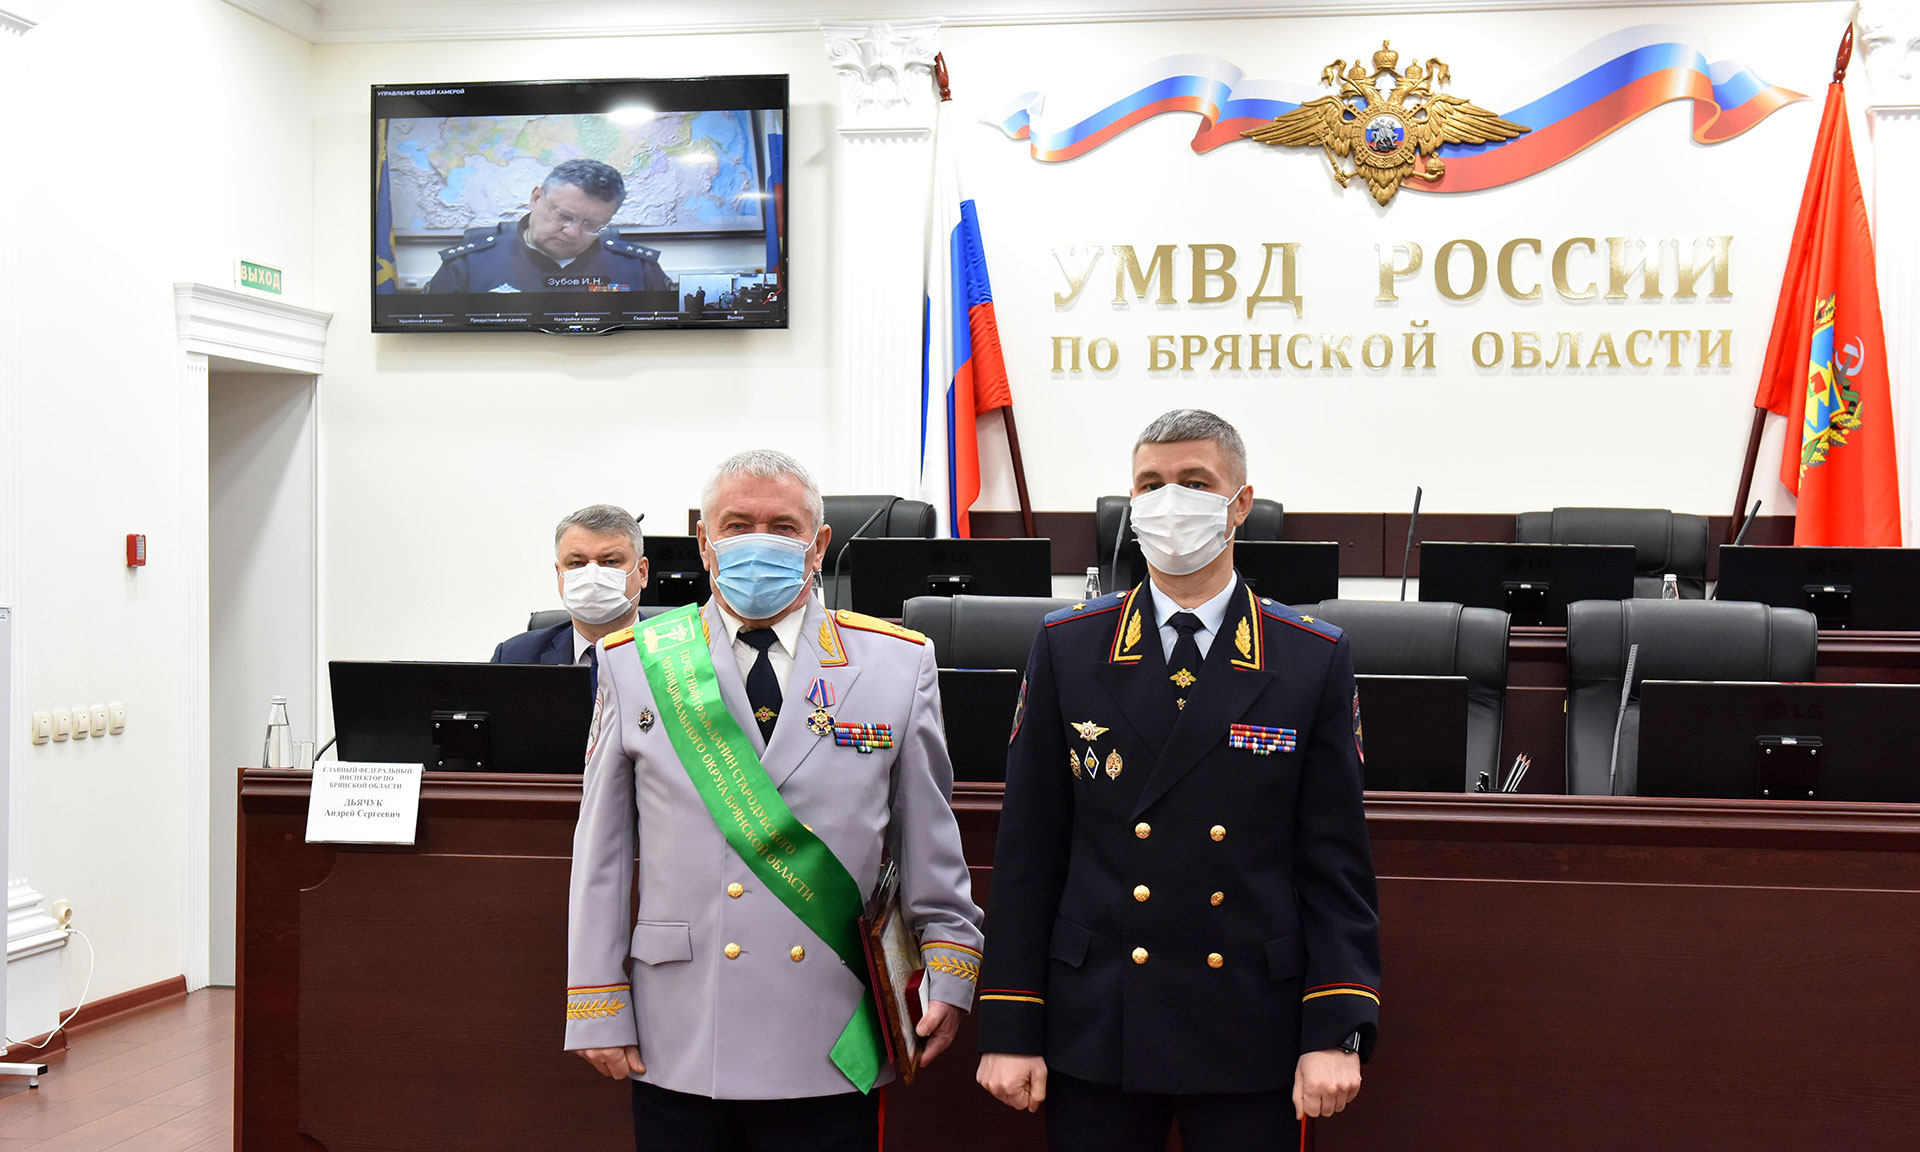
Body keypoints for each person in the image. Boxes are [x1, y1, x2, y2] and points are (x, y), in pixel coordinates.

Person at [974, 409, 1381, 1150]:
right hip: (1097, 1021)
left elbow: (1336, 865)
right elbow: (1030, 850)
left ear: (1240, 503)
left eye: (1195, 483)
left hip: (1250, 1026)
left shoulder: (1310, 655)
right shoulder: (1069, 645)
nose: (1170, 502)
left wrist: (1336, 1026)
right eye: (1150, 484)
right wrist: (1009, 1020)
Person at [565, 449, 984, 1152]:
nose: (758, 541)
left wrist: (948, 960)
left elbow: (929, 841)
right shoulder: (634, 662)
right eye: (737, 525)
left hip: (829, 1024)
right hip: (682, 1025)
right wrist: (594, 996)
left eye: (783, 526)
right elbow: (600, 854)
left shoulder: (896, 663)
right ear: (705, 542)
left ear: (818, 545)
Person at [426, 159, 672, 294]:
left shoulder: (639, 268)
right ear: (535, 198)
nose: (573, 232)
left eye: (592, 225)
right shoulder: (467, 265)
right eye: (564, 216)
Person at [490, 504, 648, 696]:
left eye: (610, 561)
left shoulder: (678, 654)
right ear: (559, 573)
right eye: (576, 563)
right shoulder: (514, 658)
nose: (592, 575)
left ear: (642, 572)